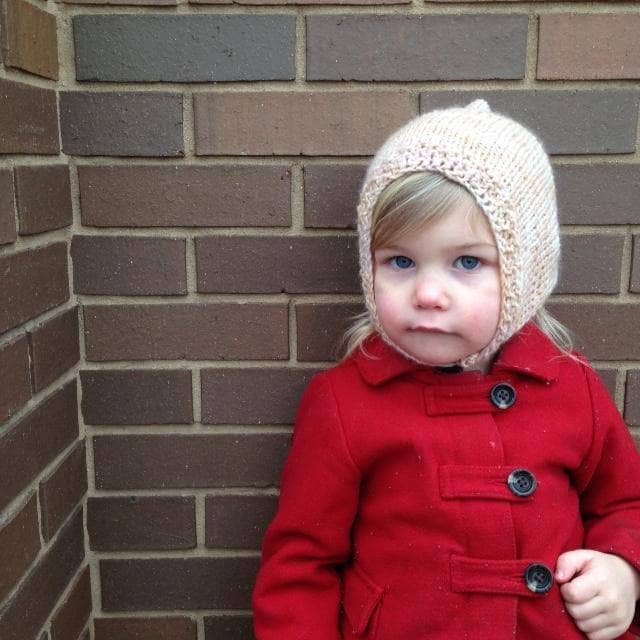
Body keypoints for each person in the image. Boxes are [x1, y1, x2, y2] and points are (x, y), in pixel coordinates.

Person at [252, 99, 640, 640]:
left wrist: (623, 570)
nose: (429, 294)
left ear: (524, 272)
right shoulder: (344, 402)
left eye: (467, 262)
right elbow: (300, 567)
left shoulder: (570, 384)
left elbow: (626, 501)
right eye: (401, 262)